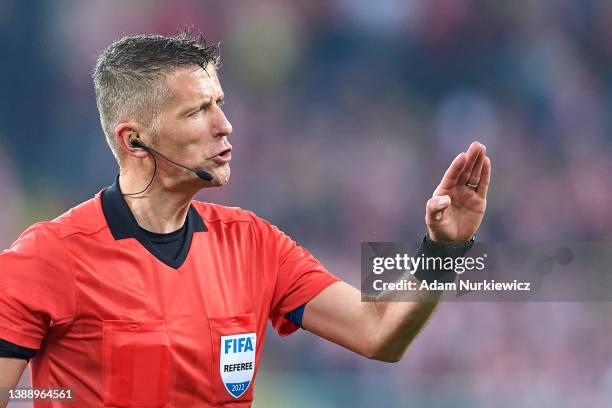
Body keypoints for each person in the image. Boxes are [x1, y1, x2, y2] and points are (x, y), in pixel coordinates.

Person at [0, 30, 490, 407]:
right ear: (135, 141)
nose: (224, 125)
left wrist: (443, 249)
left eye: (220, 104)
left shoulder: (254, 244)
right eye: (197, 112)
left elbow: (378, 331)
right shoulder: (49, 256)